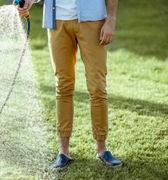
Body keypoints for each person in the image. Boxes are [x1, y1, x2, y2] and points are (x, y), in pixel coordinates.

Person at [15, 0, 122, 169]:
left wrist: (111, 20)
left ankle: (102, 149)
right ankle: (63, 151)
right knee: (63, 86)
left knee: (97, 87)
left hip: (92, 21)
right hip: (57, 22)